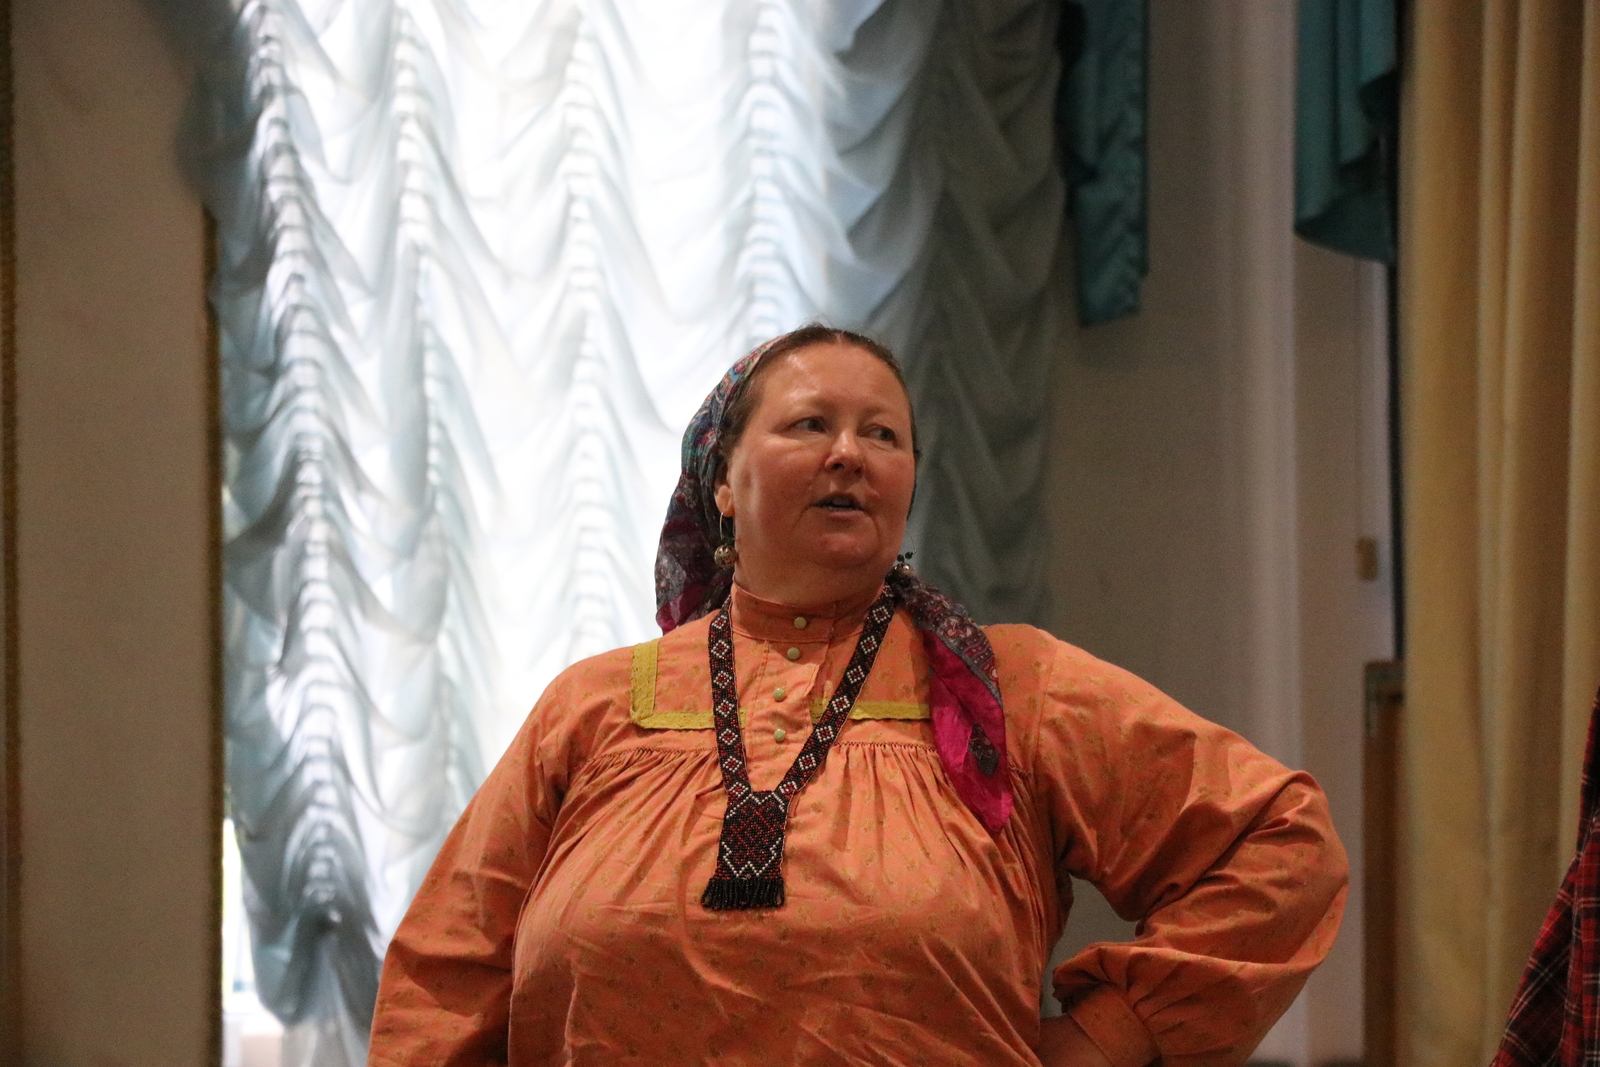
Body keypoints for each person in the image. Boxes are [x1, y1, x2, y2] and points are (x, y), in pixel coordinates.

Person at [367, 325, 1349, 1067]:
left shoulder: (1012, 687)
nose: (850, 452)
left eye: (883, 433)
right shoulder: (594, 707)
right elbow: (446, 975)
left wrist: (1113, 1034)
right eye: (811, 424)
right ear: (721, 481)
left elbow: (1279, 847)